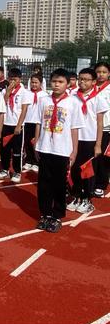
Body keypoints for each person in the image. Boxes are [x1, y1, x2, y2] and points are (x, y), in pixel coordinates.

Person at [34, 68, 84, 233]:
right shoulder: (43, 100)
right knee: (43, 184)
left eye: (60, 82)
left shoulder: (73, 103)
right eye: (54, 81)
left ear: (67, 83)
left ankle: (57, 215)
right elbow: (39, 123)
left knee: (59, 184)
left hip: (62, 150)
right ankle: (45, 213)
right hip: (45, 148)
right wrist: (37, 143)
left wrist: (74, 151)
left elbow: (75, 129)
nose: (56, 85)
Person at [67, 68, 109, 214]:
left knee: (88, 171)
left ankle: (87, 199)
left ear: (93, 81)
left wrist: (98, 145)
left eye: (86, 79)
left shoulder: (98, 98)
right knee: (74, 169)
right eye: (80, 79)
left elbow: (99, 123)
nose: (82, 82)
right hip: (75, 139)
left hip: (90, 140)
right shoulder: (72, 97)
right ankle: (76, 195)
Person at [0, 68, 32, 183]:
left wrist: (19, 125)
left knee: (17, 151)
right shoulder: (4, 91)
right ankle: (5, 169)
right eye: (10, 79)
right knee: (4, 149)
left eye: (15, 79)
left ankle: (17, 171)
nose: (12, 82)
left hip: (17, 125)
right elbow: (2, 104)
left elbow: (24, 110)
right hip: (6, 124)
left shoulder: (24, 92)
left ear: (19, 79)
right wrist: (8, 92)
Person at [23, 74, 46, 172]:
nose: (34, 84)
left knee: (36, 142)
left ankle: (37, 162)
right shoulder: (27, 93)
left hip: (38, 123)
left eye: (36, 82)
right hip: (28, 121)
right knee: (27, 142)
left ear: (40, 83)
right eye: (32, 82)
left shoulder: (44, 95)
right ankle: (29, 160)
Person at [94, 61, 110, 197]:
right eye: (99, 72)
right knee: (91, 156)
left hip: (106, 128)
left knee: (103, 158)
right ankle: (91, 180)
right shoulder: (90, 87)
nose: (101, 75)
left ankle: (101, 183)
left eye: (104, 72)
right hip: (90, 128)